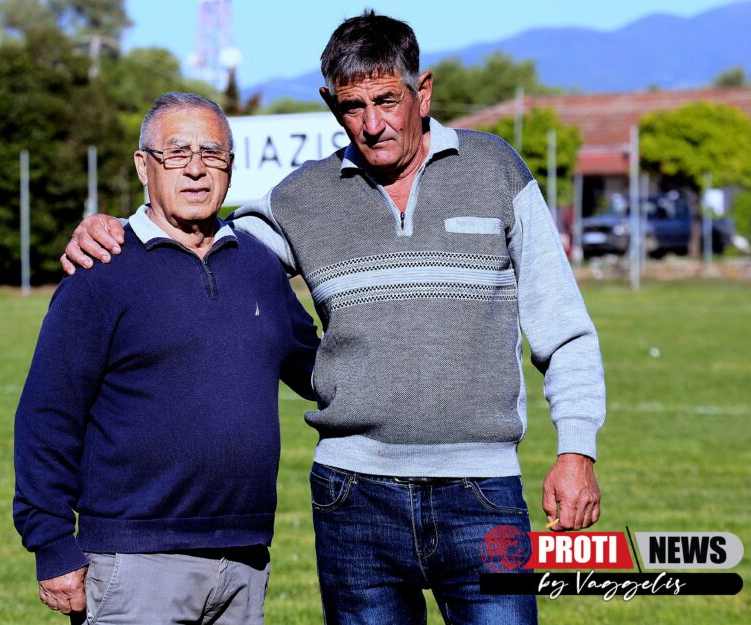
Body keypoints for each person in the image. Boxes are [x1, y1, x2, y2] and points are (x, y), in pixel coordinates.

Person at [61, 12, 606, 625]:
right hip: (353, 496)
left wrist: (576, 450)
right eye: (352, 107)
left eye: (387, 100)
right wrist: (117, 230)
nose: (372, 124)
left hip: (483, 492)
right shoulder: (302, 198)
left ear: (423, 92)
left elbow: (564, 329)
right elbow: (201, 241)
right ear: (331, 104)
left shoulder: (496, 170)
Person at [13, 92, 319, 624]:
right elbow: (47, 415)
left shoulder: (258, 266)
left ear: (230, 166)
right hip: (134, 559)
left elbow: (321, 371)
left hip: (245, 558)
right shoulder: (101, 270)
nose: (196, 169)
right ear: (143, 166)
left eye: (212, 153)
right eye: (176, 153)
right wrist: (51, 543)